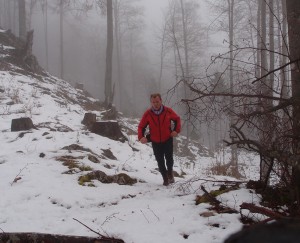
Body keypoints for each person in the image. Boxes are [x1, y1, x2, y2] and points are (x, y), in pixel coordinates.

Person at [138, 93, 181, 186]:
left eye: (157, 102)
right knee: (160, 160)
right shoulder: (148, 113)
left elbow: (177, 119)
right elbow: (141, 126)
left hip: (167, 139)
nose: (155, 104)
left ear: (161, 101)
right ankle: (165, 178)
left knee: (169, 159)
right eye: (153, 102)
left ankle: (170, 173)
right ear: (151, 103)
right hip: (155, 141)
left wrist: (176, 131)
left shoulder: (168, 111)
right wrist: (141, 137)